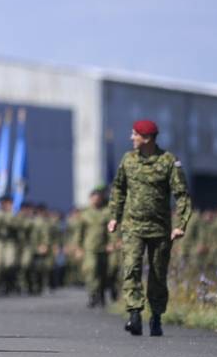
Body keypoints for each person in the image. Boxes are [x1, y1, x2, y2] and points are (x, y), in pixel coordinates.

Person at [108, 119, 192, 337]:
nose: (131, 138)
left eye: (134, 134)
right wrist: (114, 217)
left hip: (160, 228)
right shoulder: (128, 160)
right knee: (131, 268)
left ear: (146, 138)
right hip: (132, 226)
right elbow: (118, 189)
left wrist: (180, 225)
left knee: (157, 274)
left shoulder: (168, 161)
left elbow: (181, 195)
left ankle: (156, 316)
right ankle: (134, 314)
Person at [75, 186, 111, 308]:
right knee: (91, 270)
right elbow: (79, 232)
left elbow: (111, 230)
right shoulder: (84, 214)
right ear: (90, 199)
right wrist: (78, 248)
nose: (96, 200)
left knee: (104, 272)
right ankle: (92, 294)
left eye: (98, 198)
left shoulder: (106, 213)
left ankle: (101, 294)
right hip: (89, 248)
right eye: (94, 198)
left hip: (104, 247)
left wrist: (112, 243)